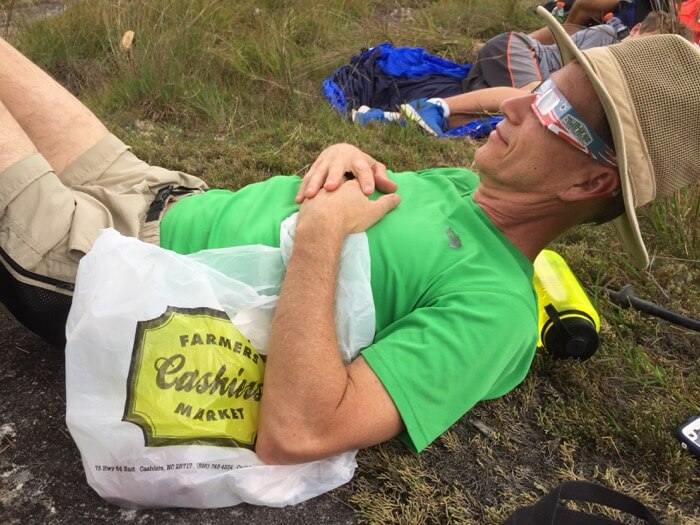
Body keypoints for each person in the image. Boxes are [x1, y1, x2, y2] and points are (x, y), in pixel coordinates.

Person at [1, 8, 699, 465]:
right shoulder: (464, 191)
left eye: (553, 109)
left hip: (115, 269)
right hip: (164, 192)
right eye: (541, 86)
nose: (516, 102)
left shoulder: (499, 311)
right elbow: (363, 223)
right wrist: (341, 160)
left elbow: (301, 431)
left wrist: (320, 236)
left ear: (587, 185)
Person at [354, 10, 692, 136]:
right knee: (540, 99)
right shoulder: (607, 39)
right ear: (634, 31)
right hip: (517, 51)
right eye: (647, 44)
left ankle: (404, 120)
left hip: (511, 74)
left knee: (517, 114)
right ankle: (436, 108)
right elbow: (559, 42)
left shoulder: (635, 80)